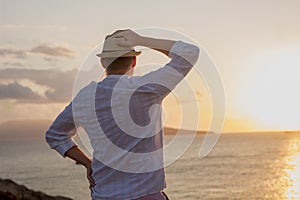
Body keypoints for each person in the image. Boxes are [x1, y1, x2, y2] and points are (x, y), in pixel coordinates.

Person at [46, 29, 200, 200]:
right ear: (134, 61)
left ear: (103, 62)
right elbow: (190, 52)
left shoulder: (85, 97)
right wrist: (141, 39)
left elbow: (55, 135)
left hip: (103, 195)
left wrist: (88, 164)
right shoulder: (146, 88)